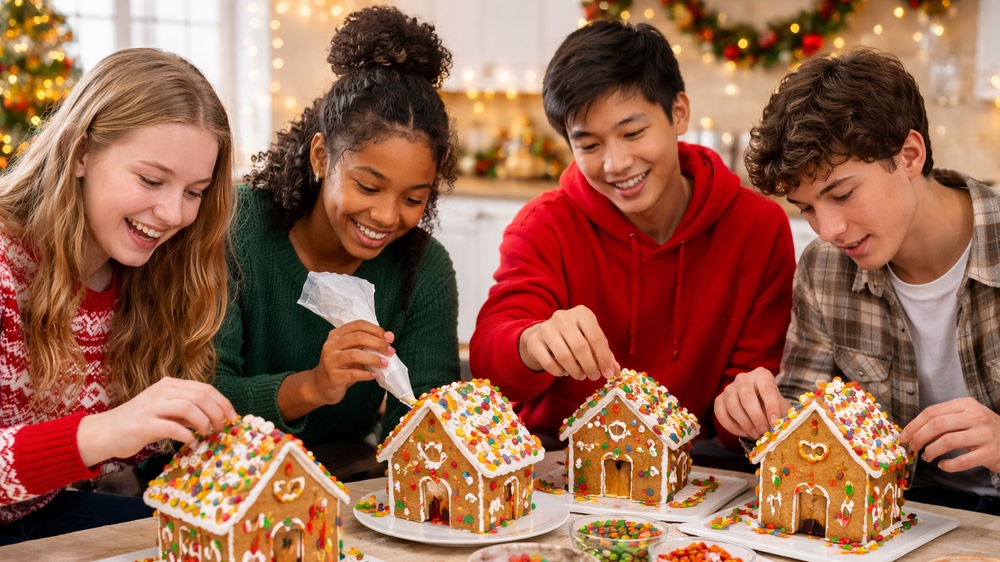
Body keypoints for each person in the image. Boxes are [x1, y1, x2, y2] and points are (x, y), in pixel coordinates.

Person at [469, 19, 795, 462]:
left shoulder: (758, 227)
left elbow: (737, 405)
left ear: (678, 112)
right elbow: (492, 359)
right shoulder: (544, 225)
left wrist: (743, 407)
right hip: (558, 459)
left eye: (632, 133)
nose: (616, 163)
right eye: (589, 145)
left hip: (687, 464)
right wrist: (529, 341)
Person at [714, 47, 1000, 514]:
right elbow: (800, 415)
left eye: (842, 194)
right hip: (897, 514)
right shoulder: (824, 268)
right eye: (806, 208)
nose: (828, 230)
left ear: (909, 154)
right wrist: (759, 417)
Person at [212, 6, 461, 482]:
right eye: (368, 187)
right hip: (217, 473)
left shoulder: (423, 270)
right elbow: (202, 393)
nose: (388, 216)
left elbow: (428, 423)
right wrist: (314, 386)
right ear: (322, 156)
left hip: (343, 474)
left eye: (414, 197)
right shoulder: (236, 229)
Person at [0, 48, 237, 543]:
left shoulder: (148, 278)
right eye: (151, 180)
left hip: (39, 517)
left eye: (194, 191)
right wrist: (109, 429)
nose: (173, 213)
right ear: (81, 152)